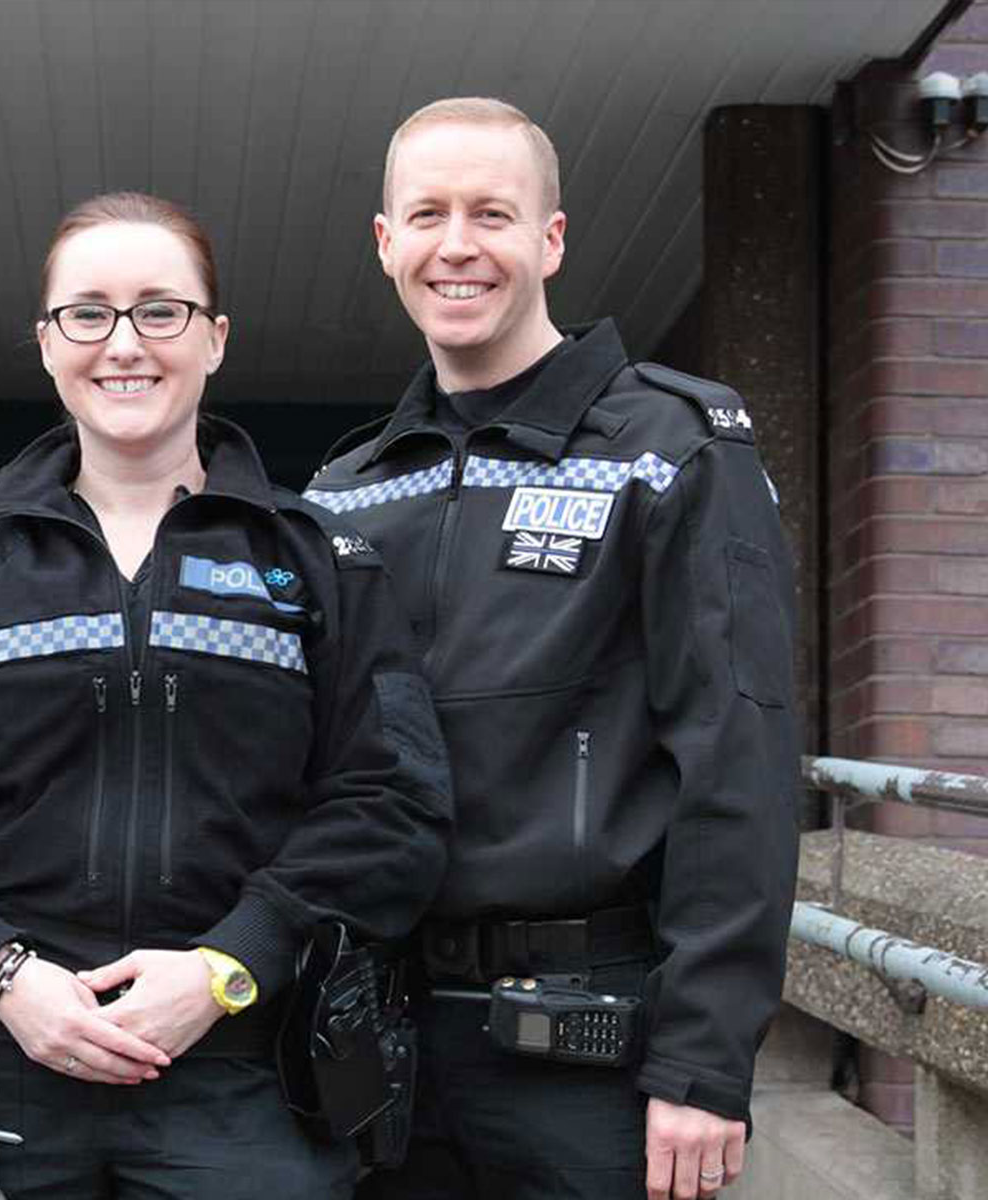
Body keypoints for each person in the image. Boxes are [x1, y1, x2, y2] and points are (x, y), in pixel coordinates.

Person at [0, 191, 453, 1199]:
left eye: (162, 311)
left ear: (214, 340)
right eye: (89, 313)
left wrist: (225, 968)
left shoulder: (322, 564)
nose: (125, 344)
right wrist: (1, 974)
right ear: (45, 342)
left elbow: (394, 804)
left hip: (244, 1085)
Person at [304, 98, 800, 1200]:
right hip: (378, 1045)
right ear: (386, 243)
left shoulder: (673, 448)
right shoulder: (345, 492)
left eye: (494, 212)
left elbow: (741, 760)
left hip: (595, 1052)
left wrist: (704, 1062)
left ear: (552, 239)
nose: (458, 245)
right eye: (426, 214)